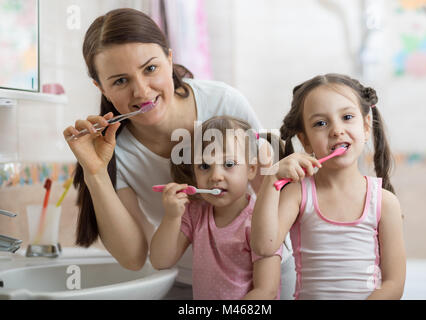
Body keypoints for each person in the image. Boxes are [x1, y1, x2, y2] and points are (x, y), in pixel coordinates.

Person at [62, 8, 296, 298]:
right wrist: (95, 173)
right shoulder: (114, 151)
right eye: (120, 81)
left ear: (169, 60)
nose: (142, 92)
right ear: (101, 88)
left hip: (263, 273)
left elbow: (274, 194)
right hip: (191, 283)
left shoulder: (223, 101)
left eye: (150, 69)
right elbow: (134, 258)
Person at [251, 73, 406, 300]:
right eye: (320, 123)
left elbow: (394, 285)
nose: (336, 130)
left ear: (365, 127)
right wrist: (271, 178)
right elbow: (264, 246)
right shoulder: (298, 194)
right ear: (305, 140)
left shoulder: (385, 202)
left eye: (347, 117)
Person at [150, 116, 283, 299]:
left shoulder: (260, 222)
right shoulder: (195, 212)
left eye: (228, 164)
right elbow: (160, 261)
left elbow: (266, 291)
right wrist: (171, 217)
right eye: (204, 166)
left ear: (251, 169)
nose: (215, 176)